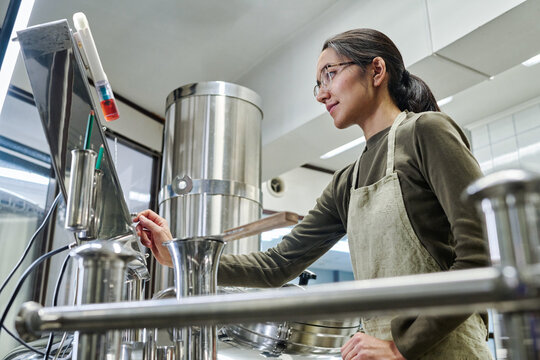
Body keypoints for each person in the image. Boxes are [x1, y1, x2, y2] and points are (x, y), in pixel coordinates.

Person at [134, 28, 492, 360]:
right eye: (317, 84)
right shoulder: (345, 183)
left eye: (330, 75)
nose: (321, 93)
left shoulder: (426, 132)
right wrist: (178, 258)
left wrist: (400, 345)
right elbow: (276, 265)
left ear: (376, 70)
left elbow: (479, 257)